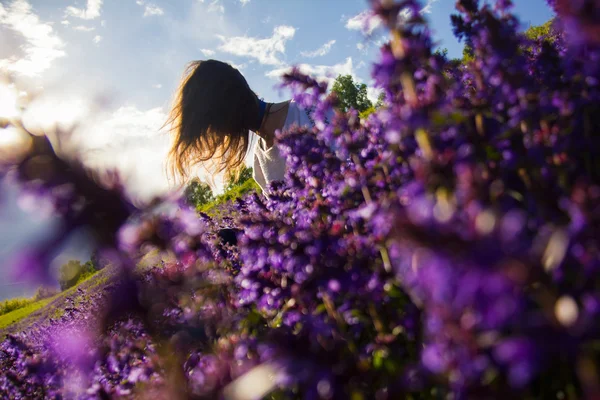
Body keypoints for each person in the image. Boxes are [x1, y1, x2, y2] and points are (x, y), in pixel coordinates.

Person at [165, 59, 321, 246]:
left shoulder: (306, 111)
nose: (217, 135)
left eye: (212, 124)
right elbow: (288, 222)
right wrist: (244, 236)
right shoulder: (259, 160)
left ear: (226, 109)